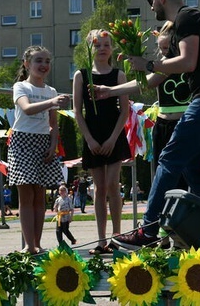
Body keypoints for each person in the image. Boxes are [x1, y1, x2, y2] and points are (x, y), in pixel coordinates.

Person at [114, 0, 200, 250]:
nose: (150, 9)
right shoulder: (181, 26)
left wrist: (147, 63)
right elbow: (155, 78)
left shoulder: (187, 18)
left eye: (150, 2)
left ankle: (147, 230)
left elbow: (187, 62)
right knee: (196, 170)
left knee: (170, 157)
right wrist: (111, 91)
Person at [95, 21, 191, 248]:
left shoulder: (187, 64)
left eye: (169, 49)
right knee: (164, 181)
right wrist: (111, 91)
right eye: (163, 50)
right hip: (163, 126)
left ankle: (182, 234)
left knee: (185, 182)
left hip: (184, 125)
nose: (165, 54)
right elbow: (144, 84)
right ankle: (165, 233)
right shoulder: (162, 67)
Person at [73, 29, 130, 255]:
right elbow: (77, 111)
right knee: (99, 189)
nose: (102, 48)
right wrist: (88, 139)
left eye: (106, 45)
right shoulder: (81, 75)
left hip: (113, 133)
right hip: (93, 135)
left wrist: (113, 138)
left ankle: (116, 237)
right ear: (89, 48)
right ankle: (100, 239)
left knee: (113, 184)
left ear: (112, 48)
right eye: (97, 45)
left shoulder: (119, 75)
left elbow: (125, 111)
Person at [9, 46, 69, 254]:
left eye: (47, 61)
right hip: (22, 142)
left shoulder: (50, 91)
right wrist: (52, 102)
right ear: (27, 64)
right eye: (38, 61)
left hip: (43, 143)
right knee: (26, 195)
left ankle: (37, 243)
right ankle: (28, 245)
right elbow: (26, 109)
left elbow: (53, 123)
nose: (43, 65)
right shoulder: (21, 87)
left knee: (39, 196)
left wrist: (53, 145)